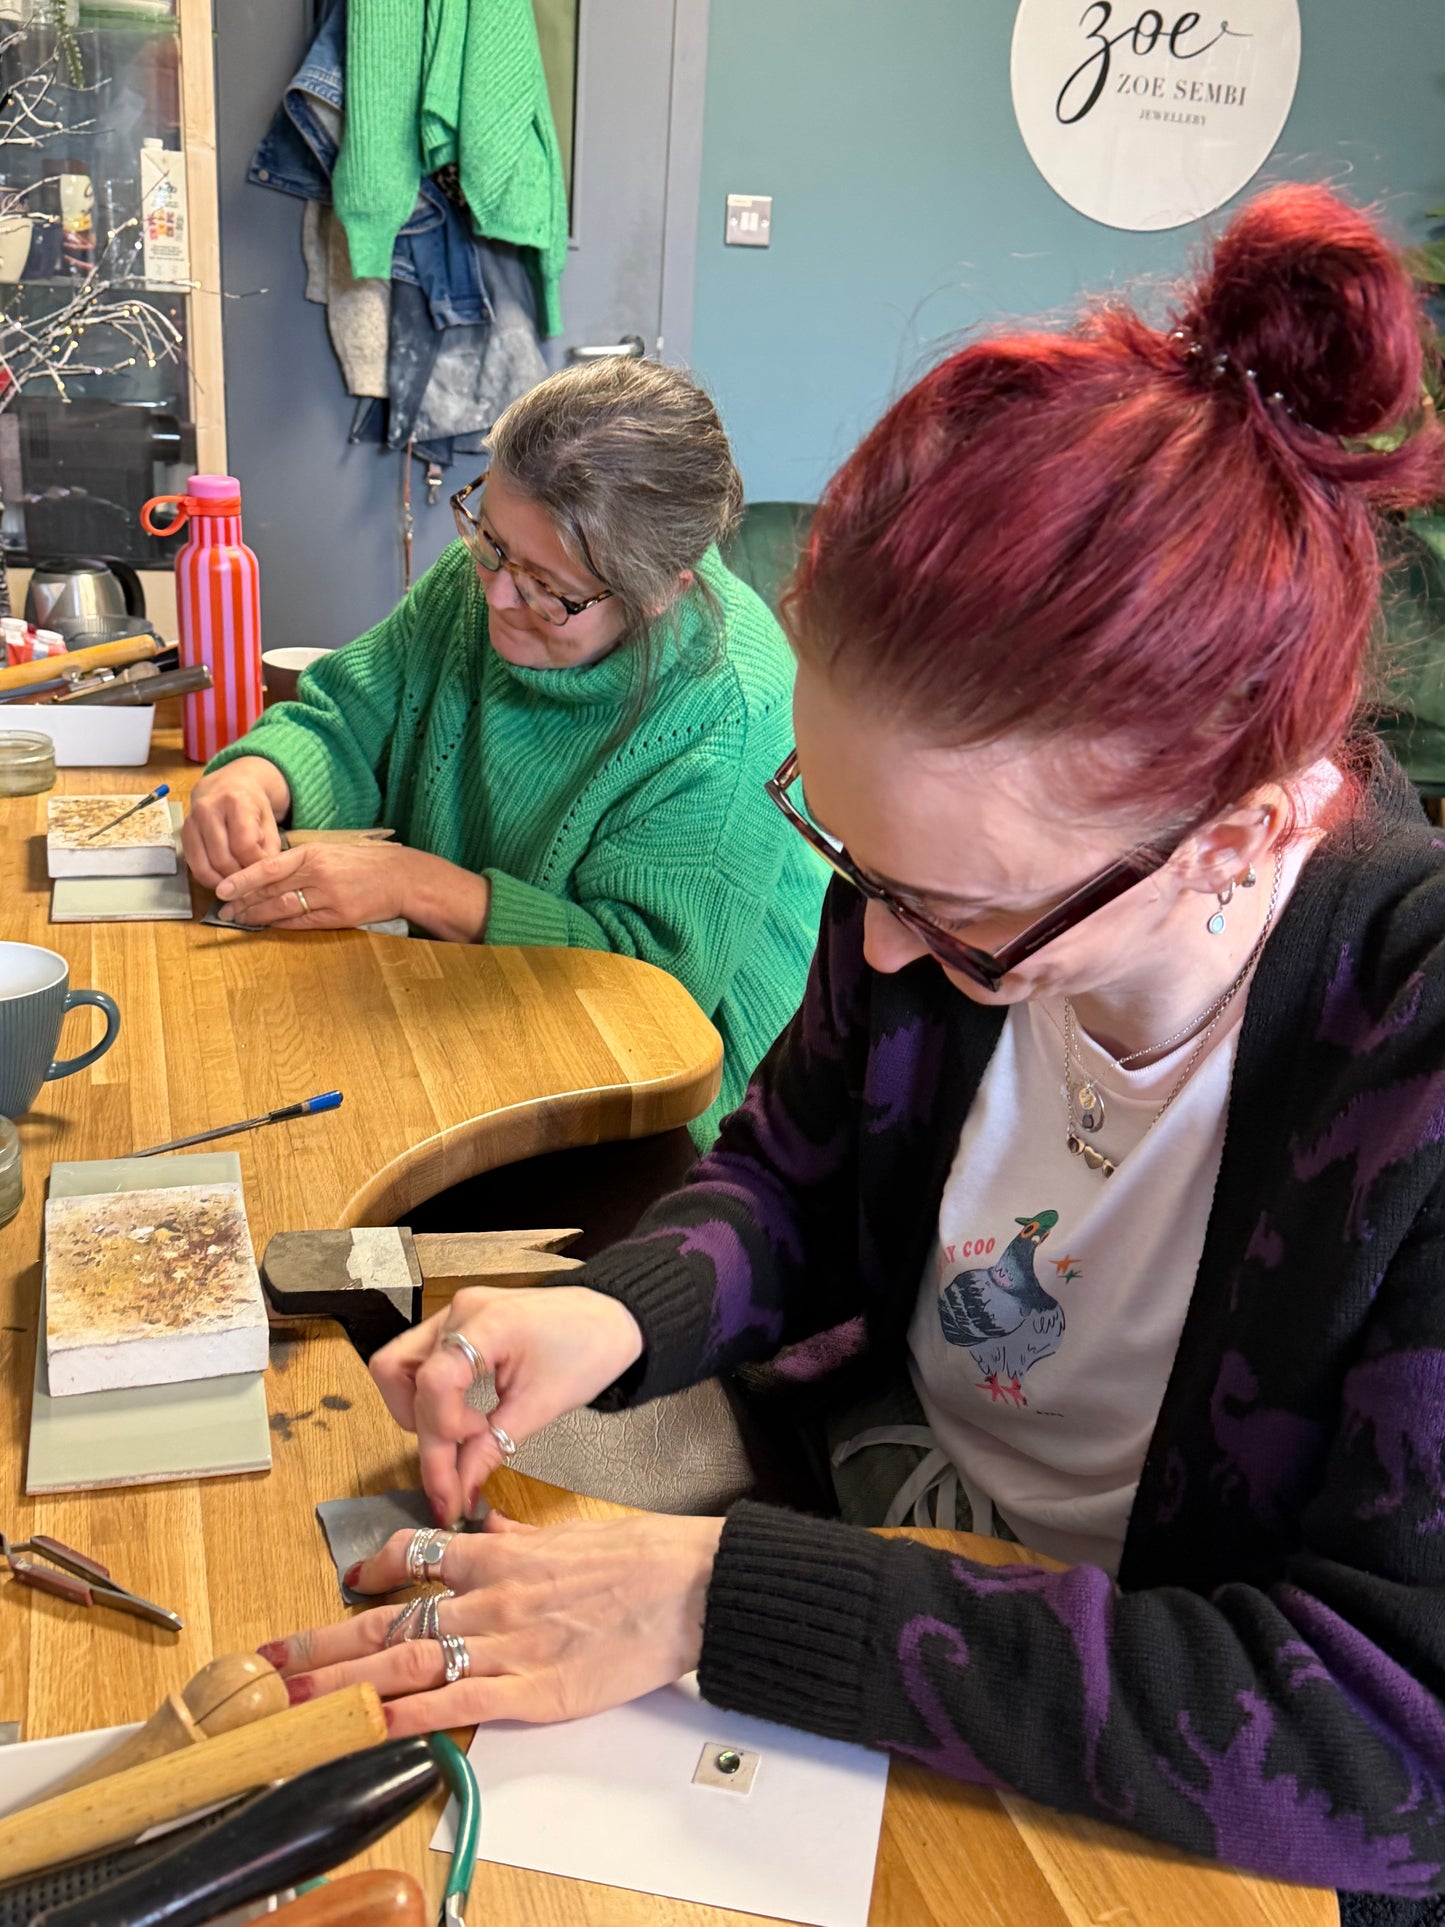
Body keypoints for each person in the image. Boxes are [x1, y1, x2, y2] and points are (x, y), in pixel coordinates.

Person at [259, 187, 1445, 1907]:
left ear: (1246, 834)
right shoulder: (926, 896)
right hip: (895, 1528)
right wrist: (613, 1311)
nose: (877, 948)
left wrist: (721, 1598)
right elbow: (797, 1169)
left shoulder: (1403, 1047)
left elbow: (1388, 1742)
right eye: (848, 855)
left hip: (1155, 1781)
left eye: (955, 911)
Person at [182, 359, 826, 1142]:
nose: (492, 592)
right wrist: (258, 776)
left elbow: (648, 986)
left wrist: (416, 884)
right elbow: (348, 717)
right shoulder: (489, 573)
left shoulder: (729, 707)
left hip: (678, 1092)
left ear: (662, 590)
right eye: (488, 538)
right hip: (472, 996)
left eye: (547, 588)